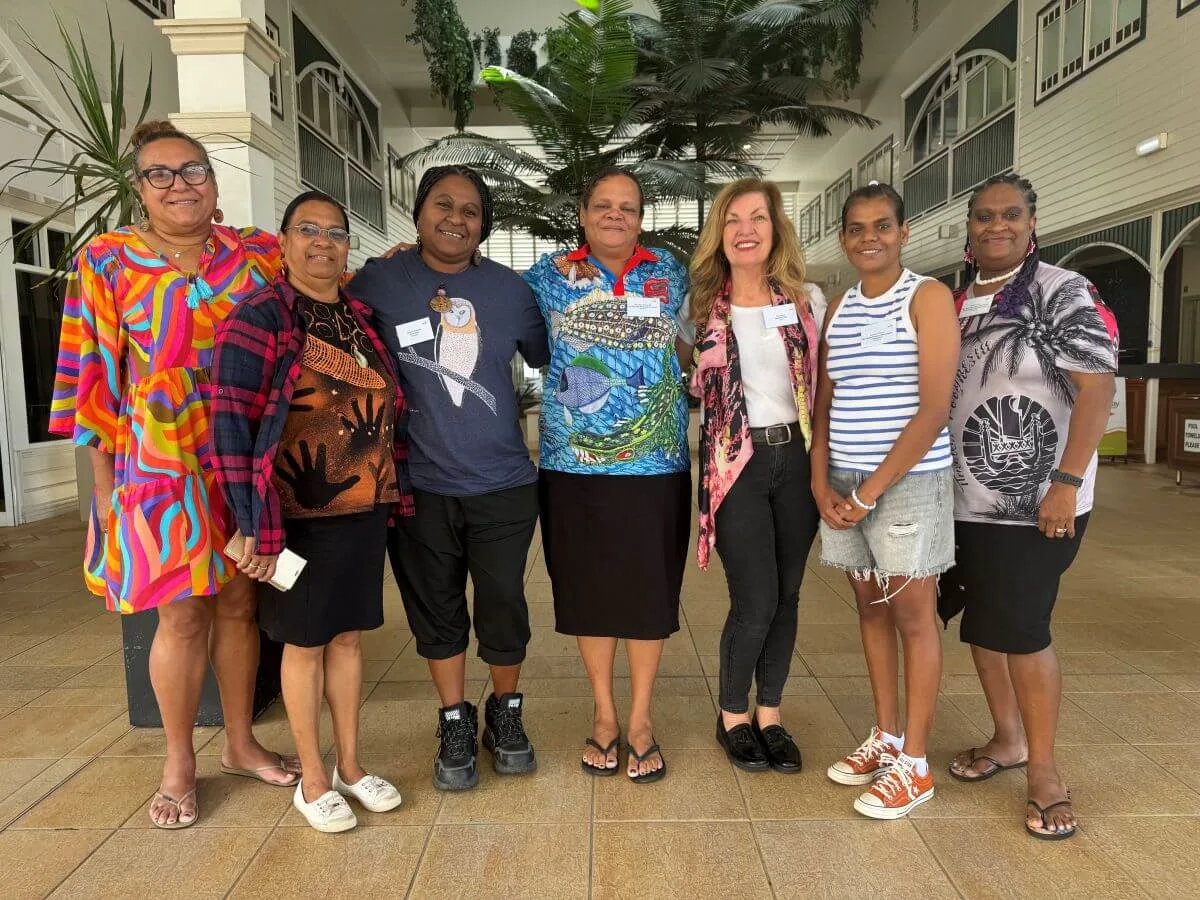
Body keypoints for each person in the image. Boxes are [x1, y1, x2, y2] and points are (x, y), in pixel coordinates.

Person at [48, 120, 299, 829]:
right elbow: (88, 380)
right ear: (139, 188)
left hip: (244, 461)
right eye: (160, 173)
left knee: (241, 606)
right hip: (157, 467)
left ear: (213, 184)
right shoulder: (106, 262)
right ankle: (180, 760)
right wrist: (104, 492)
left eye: (192, 170)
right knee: (182, 613)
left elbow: (324, 270)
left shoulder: (255, 256)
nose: (179, 184)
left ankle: (242, 743)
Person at [210, 190, 410, 832]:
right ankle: (313, 778)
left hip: (363, 508)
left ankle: (351, 768)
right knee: (304, 641)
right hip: (291, 517)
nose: (323, 241)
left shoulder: (362, 317)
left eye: (335, 231)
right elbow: (231, 431)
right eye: (309, 230)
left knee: (348, 638)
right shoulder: (260, 317)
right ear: (286, 240)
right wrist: (250, 523)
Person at [349, 166, 549, 791]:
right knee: (435, 608)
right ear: (417, 213)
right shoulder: (381, 280)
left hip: (504, 484)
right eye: (443, 204)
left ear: (483, 224)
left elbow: (551, 357)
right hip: (418, 487)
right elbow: (317, 306)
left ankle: (506, 712)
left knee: (503, 604)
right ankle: (455, 717)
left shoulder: (512, 291)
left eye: (470, 209)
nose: (455, 218)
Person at [943, 174, 1118, 840]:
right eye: (984, 217)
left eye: (1010, 216)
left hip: (1039, 500)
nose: (996, 227)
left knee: (1023, 626)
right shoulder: (959, 299)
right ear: (969, 226)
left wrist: (1067, 482)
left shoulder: (1063, 291)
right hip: (966, 498)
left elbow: (1097, 390)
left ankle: (1044, 770)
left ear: (1032, 221)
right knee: (985, 626)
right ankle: (1007, 740)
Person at [524, 166, 694, 783]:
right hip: (574, 465)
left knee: (649, 594)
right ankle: (604, 716)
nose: (614, 215)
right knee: (590, 592)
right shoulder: (546, 276)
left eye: (627, 206)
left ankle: (642, 719)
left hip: (657, 460)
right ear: (583, 213)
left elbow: (691, 340)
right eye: (603, 205)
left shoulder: (670, 273)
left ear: (641, 217)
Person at [813, 183, 959, 819]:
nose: (868, 237)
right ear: (844, 238)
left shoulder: (926, 298)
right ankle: (887, 736)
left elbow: (933, 410)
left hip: (907, 484)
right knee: (870, 607)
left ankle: (917, 765)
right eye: (856, 228)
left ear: (903, 232)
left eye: (881, 226)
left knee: (912, 615)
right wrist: (823, 483)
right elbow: (821, 404)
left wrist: (870, 492)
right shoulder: (840, 306)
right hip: (844, 481)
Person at [691, 179, 821, 774]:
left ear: (776, 229)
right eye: (734, 218)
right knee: (756, 598)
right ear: (720, 233)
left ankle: (771, 714)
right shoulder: (697, 309)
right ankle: (732, 715)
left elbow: (827, 389)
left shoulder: (806, 301)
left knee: (788, 596)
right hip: (734, 464)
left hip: (796, 457)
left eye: (759, 217)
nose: (746, 228)